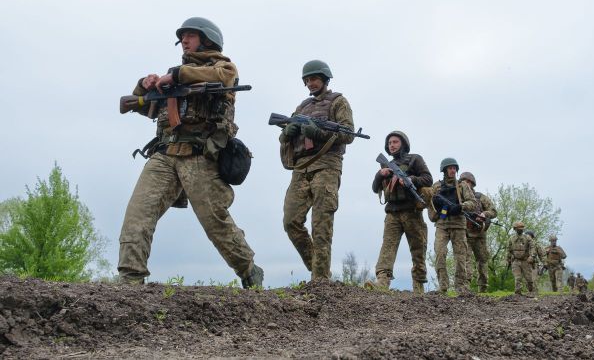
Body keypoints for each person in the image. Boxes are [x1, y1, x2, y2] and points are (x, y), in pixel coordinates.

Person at [118, 17, 263, 288]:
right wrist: (146, 85)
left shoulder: (221, 67)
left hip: (200, 156)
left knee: (215, 223)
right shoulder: (171, 79)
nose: (184, 41)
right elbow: (148, 109)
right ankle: (130, 281)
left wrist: (177, 76)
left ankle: (249, 270)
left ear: (207, 40)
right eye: (182, 37)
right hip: (164, 154)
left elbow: (224, 76)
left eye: (191, 36)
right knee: (137, 216)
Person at [279, 60, 355, 280]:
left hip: (327, 165)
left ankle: (320, 281)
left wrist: (319, 133)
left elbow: (348, 134)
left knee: (321, 225)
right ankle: (319, 270)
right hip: (301, 168)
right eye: (307, 80)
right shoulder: (302, 107)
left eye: (314, 79)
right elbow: (284, 136)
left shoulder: (338, 102)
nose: (310, 83)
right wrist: (288, 132)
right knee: (290, 221)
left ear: (324, 78)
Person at [369, 131, 432, 293]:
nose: (392, 145)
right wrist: (379, 175)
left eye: (395, 142)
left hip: (412, 212)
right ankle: (382, 283)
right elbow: (375, 188)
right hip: (392, 213)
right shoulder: (386, 165)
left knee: (418, 249)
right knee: (387, 248)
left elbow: (428, 179)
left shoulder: (415, 159)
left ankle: (418, 288)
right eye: (390, 143)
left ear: (403, 144)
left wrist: (412, 180)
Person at [430, 158, 477, 294]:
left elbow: (473, 202)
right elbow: (429, 203)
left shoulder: (462, 185)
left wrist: (461, 207)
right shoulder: (437, 186)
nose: (452, 170)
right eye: (450, 168)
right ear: (444, 170)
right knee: (440, 254)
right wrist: (436, 212)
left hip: (458, 225)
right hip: (442, 225)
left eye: (454, 168)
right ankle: (442, 287)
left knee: (461, 257)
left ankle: (461, 287)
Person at [459, 172, 497, 293]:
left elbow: (494, 211)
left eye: (468, 182)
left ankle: (483, 287)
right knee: (466, 260)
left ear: (472, 183)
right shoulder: (458, 197)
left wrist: (484, 214)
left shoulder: (480, 197)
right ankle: (466, 288)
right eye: (463, 182)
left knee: (482, 260)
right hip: (465, 234)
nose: (466, 184)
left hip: (480, 234)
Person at [507, 221, 535, 296]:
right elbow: (508, 250)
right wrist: (508, 260)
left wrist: (532, 256)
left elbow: (532, 247)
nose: (521, 230)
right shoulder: (511, 238)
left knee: (529, 279)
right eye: (519, 228)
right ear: (515, 229)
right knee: (518, 278)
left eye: (522, 228)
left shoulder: (527, 237)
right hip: (515, 261)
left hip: (525, 261)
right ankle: (518, 293)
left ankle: (531, 291)